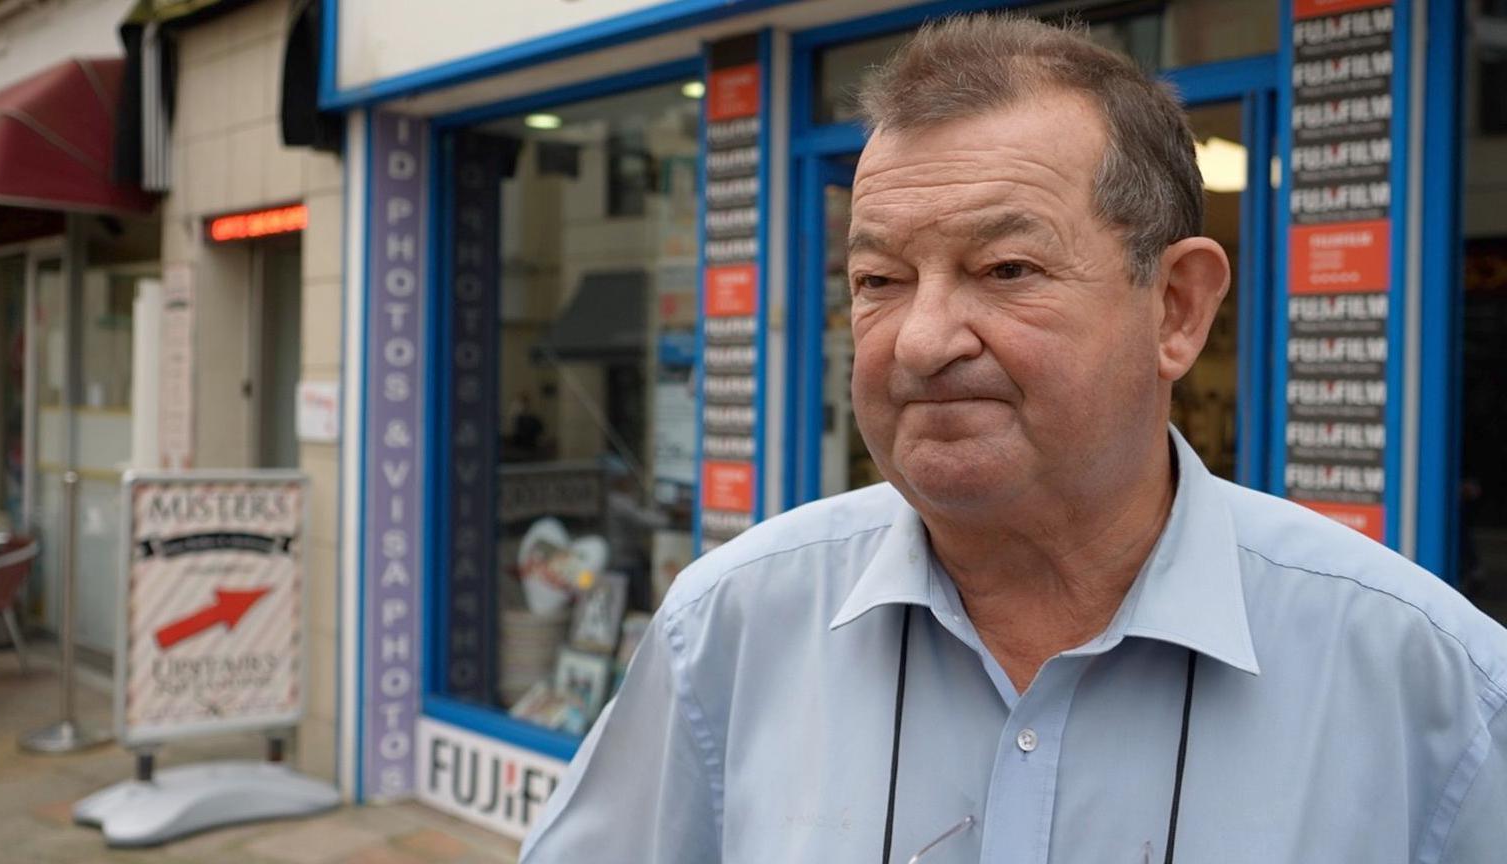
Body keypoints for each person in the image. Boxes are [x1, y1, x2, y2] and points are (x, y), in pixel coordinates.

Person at [520, 15, 1507, 863]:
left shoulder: (1431, 687)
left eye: (1005, 268)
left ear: (1176, 309)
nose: (921, 339)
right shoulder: (727, 632)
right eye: (879, 281)